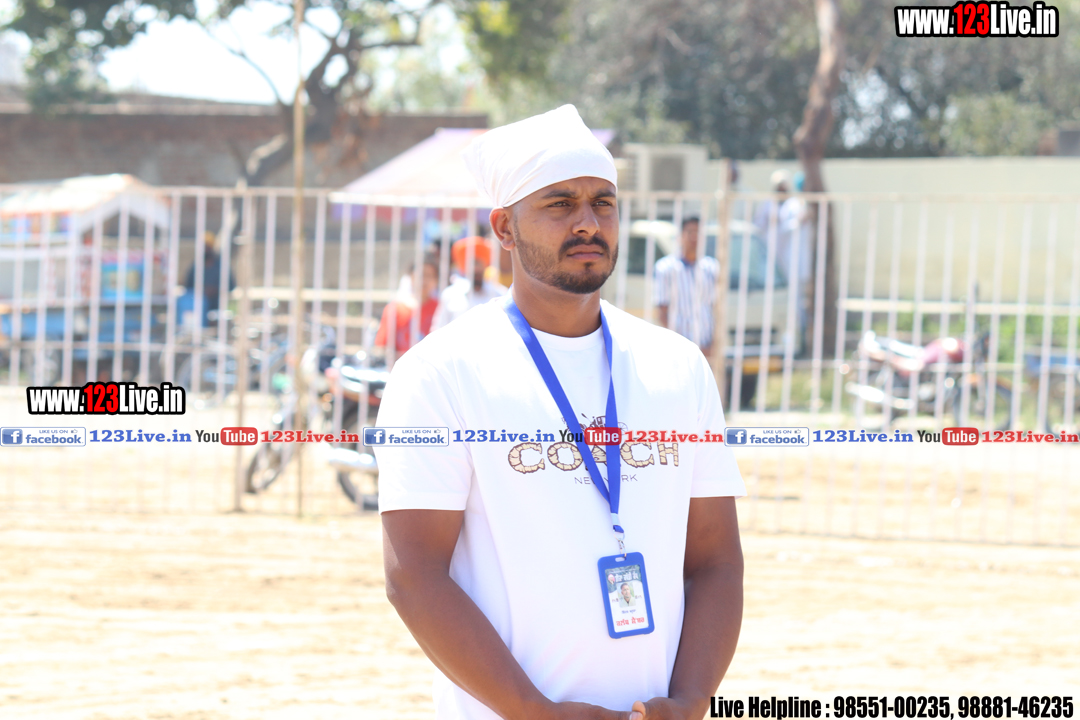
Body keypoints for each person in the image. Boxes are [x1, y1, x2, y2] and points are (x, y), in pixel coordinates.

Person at [378, 104, 745, 720]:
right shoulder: (441, 373)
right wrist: (534, 713)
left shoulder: (677, 367)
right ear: (504, 228)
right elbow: (413, 575)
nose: (587, 223)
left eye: (603, 202)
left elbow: (716, 563)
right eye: (560, 204)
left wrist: (690, 701)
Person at [653, 216, 721, 359]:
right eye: (690, 232)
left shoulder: (711, 268)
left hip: (707, 347)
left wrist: (714, 345)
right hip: (678, 349)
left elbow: (716, 308)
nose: (694, 237)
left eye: (698, 232)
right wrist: (681, 345)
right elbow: (662, 312)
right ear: (681, 236)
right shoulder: (666, 268)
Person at [430, 235, 507, 330]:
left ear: (485, 264)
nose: (475, 268)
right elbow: (438, 328)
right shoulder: (450, 294)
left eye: (478, 263)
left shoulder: (501, 295)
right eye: (471, 263)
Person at [375, 253, 440, 355]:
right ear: (410, 276)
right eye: (421, 275)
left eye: (429, 276)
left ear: (436, 280)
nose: (424, 280)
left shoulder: (440, 308)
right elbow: (382, 346)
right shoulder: (395, 309)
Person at [180, 231, 236, 327]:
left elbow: (231, 286)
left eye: (207, 246)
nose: (204, 249)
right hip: (197, 308)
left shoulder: (221, 266)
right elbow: (187, 285)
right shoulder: (195, 266)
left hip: (216, 308)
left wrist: (214, 290)